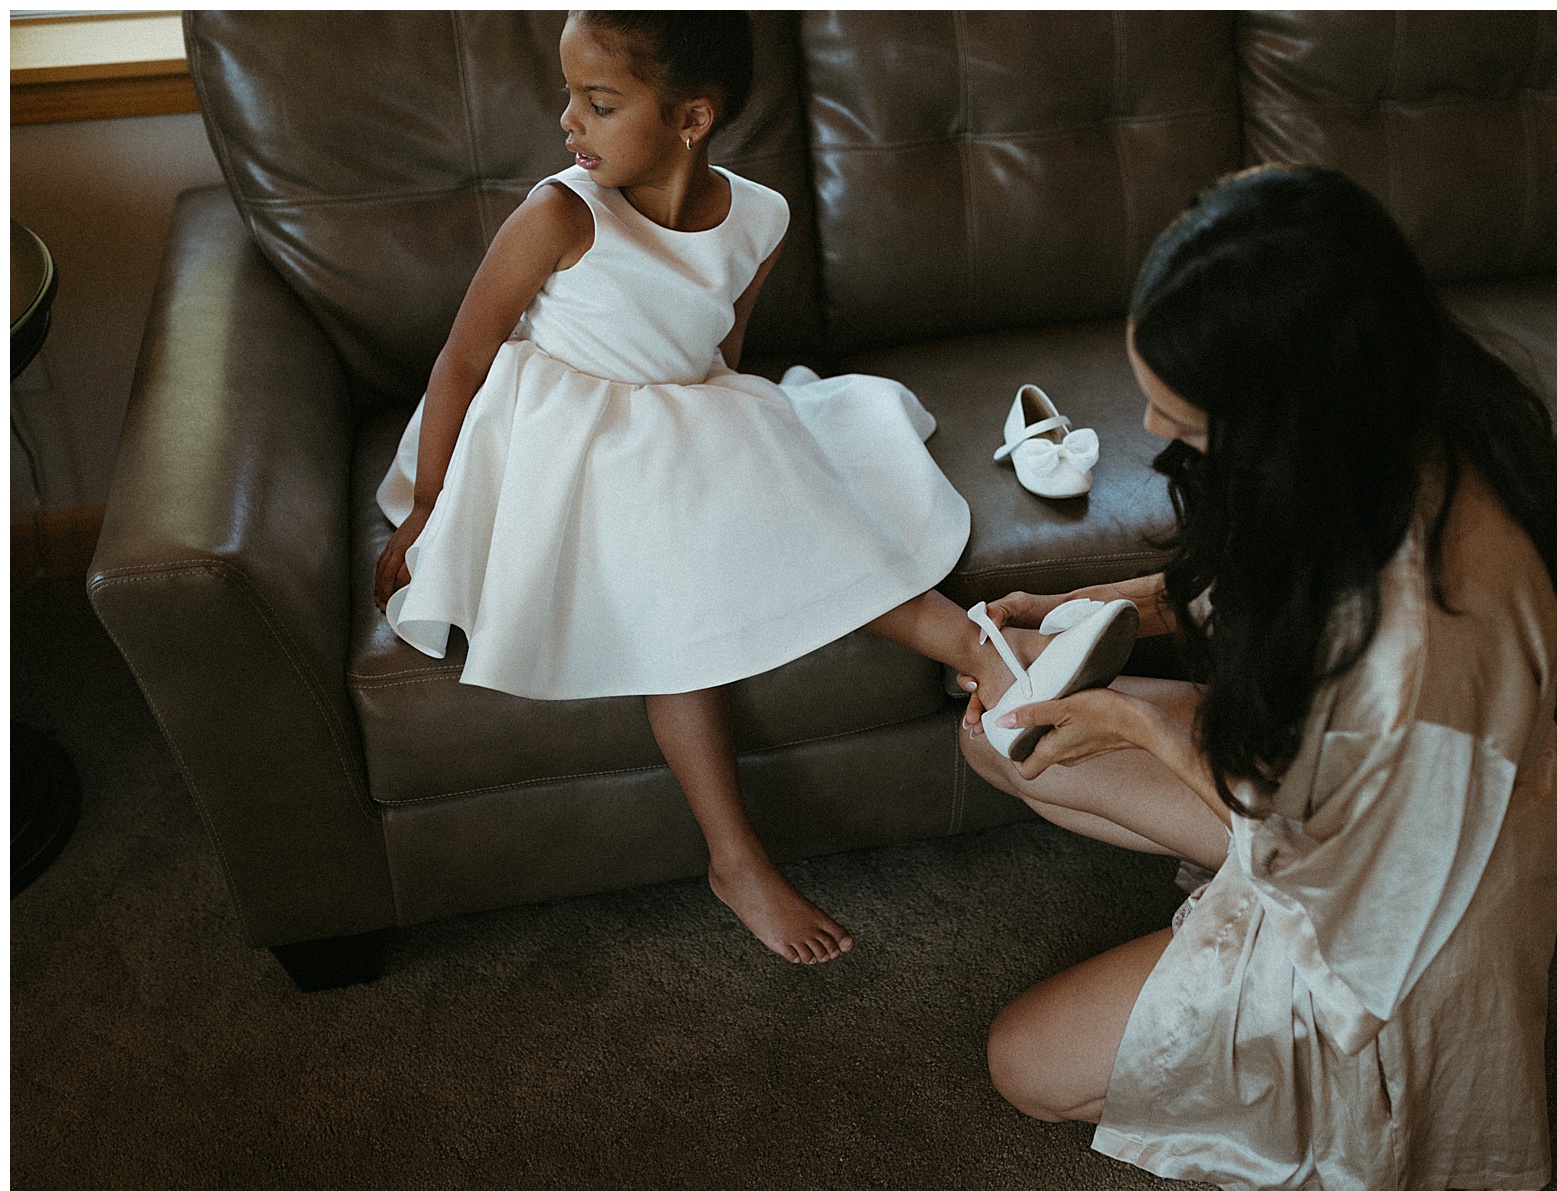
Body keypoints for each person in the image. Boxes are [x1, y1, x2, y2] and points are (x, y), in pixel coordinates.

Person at [957, 165, 1557, 1191]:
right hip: (1325, 786)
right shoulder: (1374, 426)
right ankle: (1213, 918)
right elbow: (1246, 572)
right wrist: (1084, 602)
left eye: (1183, 417)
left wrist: (1140, 725)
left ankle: (1253, 1011)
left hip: (1389, 909)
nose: (1156, 433)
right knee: (1001, 732)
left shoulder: (1419, 640)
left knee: (1023, 1063)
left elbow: (1338, 863)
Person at [372, 11, 1057, 966]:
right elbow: (460, 360)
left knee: (774, 481)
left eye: (599, 103)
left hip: (686, 425)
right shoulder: (562, 213)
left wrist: (733, 449)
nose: (568, 120)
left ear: (692, 118)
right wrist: (428, 503)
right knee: (676, 594)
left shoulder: (761, 218)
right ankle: (737, 855)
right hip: (560, 443)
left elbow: (716, 364)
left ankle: (976, 646)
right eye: (570, 95)